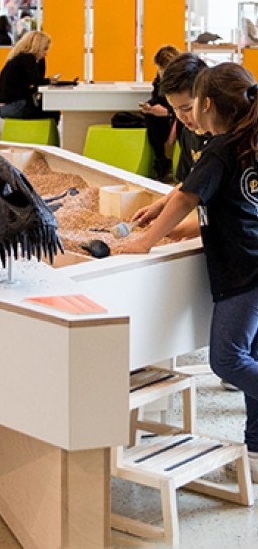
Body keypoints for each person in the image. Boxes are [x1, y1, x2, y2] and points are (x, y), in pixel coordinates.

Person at [114, 63, 258, 476]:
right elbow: (214, 198)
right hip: (250, 259)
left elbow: (186, 199)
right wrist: (170, 218)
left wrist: (145, 241)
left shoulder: (220, 147)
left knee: (228, 360)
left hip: (241, 271)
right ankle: (255, 453)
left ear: (206, 103)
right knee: (250, 356)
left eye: (190, 105)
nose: (188, 114)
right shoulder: (248, 139)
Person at [132, 52, 210, 228]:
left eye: (187, 108)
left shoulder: (223, 139)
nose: (182, 116)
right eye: (175, 109)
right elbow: (189, 182)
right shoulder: (188, 132)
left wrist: (154, 236)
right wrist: (160, 204)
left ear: (207, 100)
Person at [0, 30, 59, 121]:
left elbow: (38, 79)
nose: (46, 53)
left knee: (46, 109)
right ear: (37, 47)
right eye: (45, 49)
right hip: (11, 106)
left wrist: (41, 60)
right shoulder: (28, 59)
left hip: (6, 106)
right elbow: (38, 82)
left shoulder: (20, 59)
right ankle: (46, 134)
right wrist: (49, 80)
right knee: (53, 111)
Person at [140, 45, 180, 180]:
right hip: (167, 111)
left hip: (178, 113)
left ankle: (165, 162)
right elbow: (156, 96)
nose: (159, 72)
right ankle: (161, 160)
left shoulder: (184, 79)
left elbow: (188, 107)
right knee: (150, 117)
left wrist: (168, 113)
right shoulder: (160, 76)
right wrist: (150, 105)